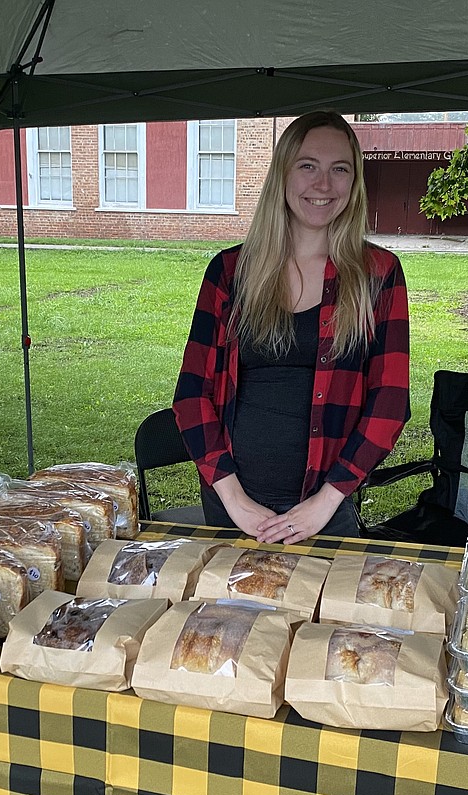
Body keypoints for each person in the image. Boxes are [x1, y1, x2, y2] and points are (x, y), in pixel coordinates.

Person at [173, 110, 410, 545]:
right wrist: (234, 499)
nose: (323, 185)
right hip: (234, 506)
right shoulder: (229, 272)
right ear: (282, 175)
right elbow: (191, 395)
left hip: (324, 509)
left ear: (354, 182)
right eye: (307, 166)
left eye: (340, 169)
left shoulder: (378, 273)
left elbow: (390, 402)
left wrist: (326, 500)